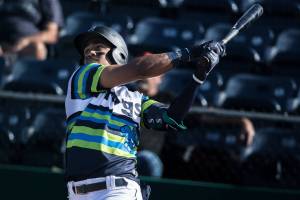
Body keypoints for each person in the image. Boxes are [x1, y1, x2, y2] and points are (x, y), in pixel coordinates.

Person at [65, 25, 225, 200]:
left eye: (98, 49)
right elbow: (141, 68)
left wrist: (198, 78)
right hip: (78, 194)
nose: (90, 53)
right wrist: (191, 52)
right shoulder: (82, 77)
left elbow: (171, 117)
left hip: (117, 191)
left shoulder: (136, 99)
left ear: (118, 55)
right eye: (87, 50)